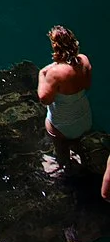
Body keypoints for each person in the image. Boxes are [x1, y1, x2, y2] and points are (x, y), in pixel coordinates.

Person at [38, 24, 93, 159]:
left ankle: (64, 166)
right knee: (76, 141)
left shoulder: (54, 73)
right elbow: (87, 85)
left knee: (61, 147)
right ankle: (79, 155)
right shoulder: (84, 60)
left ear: (55, 46)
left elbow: (45, 100)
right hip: (84, 118)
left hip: (62, 125)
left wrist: (41, 75)